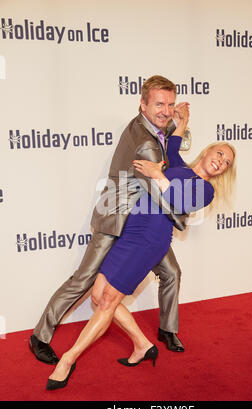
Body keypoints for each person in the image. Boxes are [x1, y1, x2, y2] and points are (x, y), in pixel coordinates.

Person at [46, 107, 236, 390]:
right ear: (208, 151)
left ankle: (68, 359)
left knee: (108, 300)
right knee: (98, 297)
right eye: (219, 154)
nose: (221, 161)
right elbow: (173, 141)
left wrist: (156, 175)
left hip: (151, 241)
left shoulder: (206, 190)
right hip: (131, 229)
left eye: (227, 162)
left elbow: (180, 203)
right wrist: (182, 121)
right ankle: (142, 345)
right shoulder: (178, 165)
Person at [30, 75, 194, 366]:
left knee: (171, 273)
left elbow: (173, 142)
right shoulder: (145, 142)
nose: (166, 110)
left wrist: (180, 124)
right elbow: (160, 190)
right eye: (159, 104)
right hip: (118, 221)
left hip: (142, 224)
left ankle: (167, 329)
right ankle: (40, 336)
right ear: (142, 104)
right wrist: (182, 218)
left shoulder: (153, 126)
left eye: (170, 104)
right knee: (83, 280)